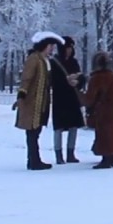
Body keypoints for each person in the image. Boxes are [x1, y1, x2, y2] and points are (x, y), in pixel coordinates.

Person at [14, 31, 63, 171]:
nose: (52, 49)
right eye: (50, 46)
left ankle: (34, 159)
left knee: (36, 130)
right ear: (44, 46)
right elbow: (26, 78)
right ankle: (33, 160)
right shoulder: (34, 59)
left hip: (41, 102)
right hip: (32, 102)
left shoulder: (44, 60)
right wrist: (22, 94)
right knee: (32, 131)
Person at [49, 36, 86, 165]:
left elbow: (82, 78)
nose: (69, 50)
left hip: (72, 98)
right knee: (58, 128)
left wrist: (78, 81)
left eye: (71, 48)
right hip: (60, 99)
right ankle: (58, 155)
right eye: (67, 48)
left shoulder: (74, 62)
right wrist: (67, 81)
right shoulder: (54, 62)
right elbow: (52, 81)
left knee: (73, 126)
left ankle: (71, 153)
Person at [82, 52, 113, 170]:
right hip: (112, 108)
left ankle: (106, 157)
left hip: (100, 109)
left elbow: (90, 98)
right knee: (111, 131)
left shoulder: (96, 78)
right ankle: (111, 155)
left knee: (103, 133)